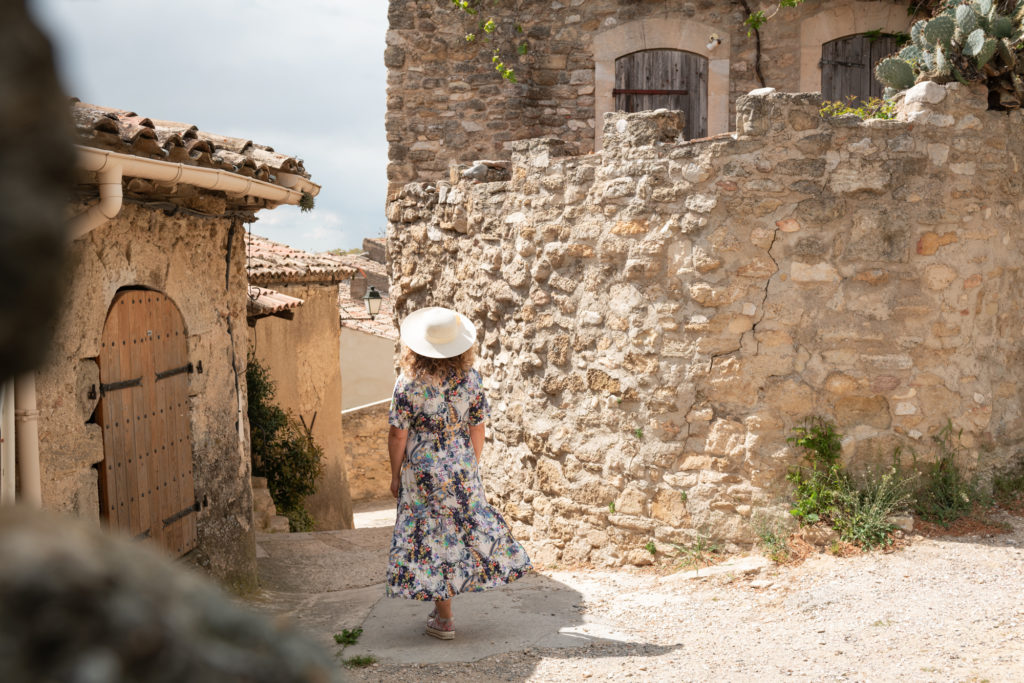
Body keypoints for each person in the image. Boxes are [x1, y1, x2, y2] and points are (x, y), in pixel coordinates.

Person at [386, 306, 532, 640]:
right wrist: (469, 466)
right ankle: (449, 608)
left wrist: (395, 475)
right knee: (459, 531)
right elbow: (477, 427)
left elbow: (398, 435)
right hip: (461, 466)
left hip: (423, 474)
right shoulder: (472, 379)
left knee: (433, 537)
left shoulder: (408, 383)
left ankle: (445, 618)